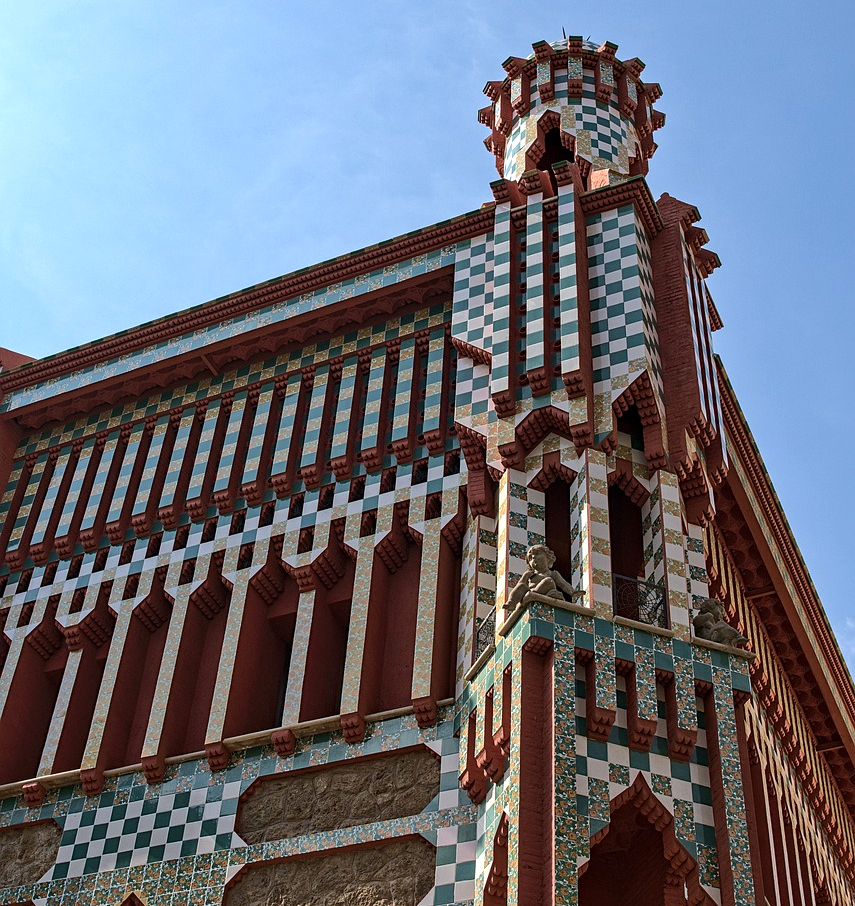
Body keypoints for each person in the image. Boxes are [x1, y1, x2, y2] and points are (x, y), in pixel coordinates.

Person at [507, 543, 581, 609]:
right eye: (530, 558)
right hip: (530, 591)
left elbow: (563, 584)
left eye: (537, 553)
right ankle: (511, 602)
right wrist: (525, 577)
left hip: (541, 591)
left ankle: (533, 594)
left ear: (548, 558)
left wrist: (573, 592)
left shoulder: (553, 574)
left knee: (548, 581)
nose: (533, 558)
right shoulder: (529, 574)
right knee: (521, 586)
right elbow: (520, 585)